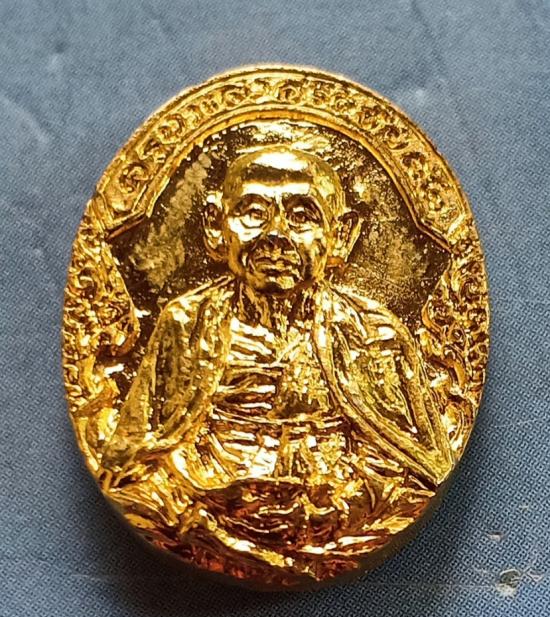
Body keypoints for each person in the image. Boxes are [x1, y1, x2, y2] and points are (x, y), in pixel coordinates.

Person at [101, 146, 452, 563]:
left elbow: (416, 470)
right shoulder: (186, 325)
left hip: (339, 510)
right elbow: (134, 460)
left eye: (302, 216)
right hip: (207, 508)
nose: (276, 235)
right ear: (215, 226)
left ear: (341, 235)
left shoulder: (375, 336)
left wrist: (338, 498)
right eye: (254, 212)